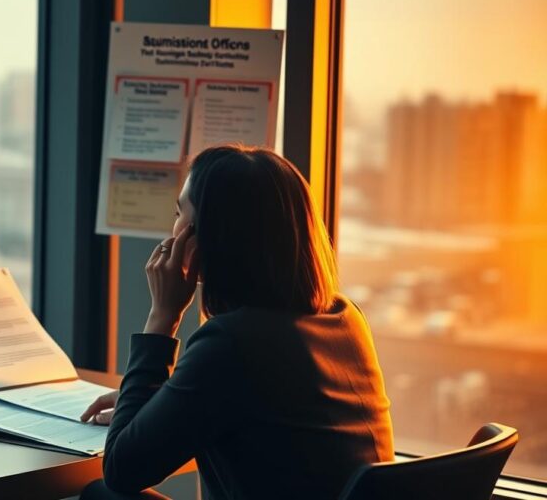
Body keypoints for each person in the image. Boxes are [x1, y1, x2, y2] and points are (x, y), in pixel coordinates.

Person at [80, 145, 394, 500]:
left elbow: (122, 470)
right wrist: (157, 402)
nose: (172, 230)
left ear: (206, 236)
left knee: (101, 495)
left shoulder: (232, 344)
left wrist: (162, 317)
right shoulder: (346, 318)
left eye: (179, 213)